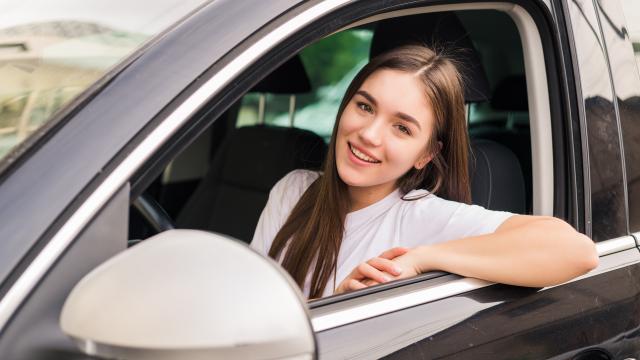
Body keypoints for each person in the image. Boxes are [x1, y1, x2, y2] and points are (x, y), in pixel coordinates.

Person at [250, 45, 598, 299]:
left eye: (402, 128)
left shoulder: (421, 217)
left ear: (426, 154)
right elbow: (249, 308)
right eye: (365, 106)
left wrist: (421, 259)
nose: (369, 135)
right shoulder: (294, 190)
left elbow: (576, 251)